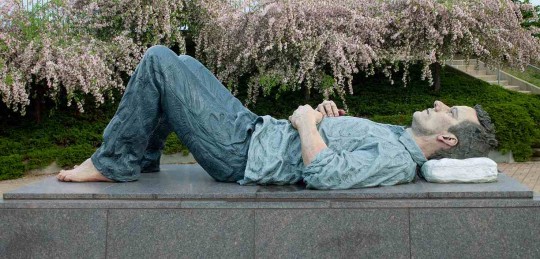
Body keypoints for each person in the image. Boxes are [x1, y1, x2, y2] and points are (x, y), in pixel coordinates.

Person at [56, 45, 498, 189]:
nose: (439, 106)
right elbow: (333, 152)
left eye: (449, 112)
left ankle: (112, 162)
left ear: (448, 140)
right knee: (184, 62)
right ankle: (144, 156)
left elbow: (325, 173)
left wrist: (307, 123)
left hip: (240, 152)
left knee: (158, 61)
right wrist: (324, 120)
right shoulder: (394, 137)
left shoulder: (397, 159)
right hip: (254, 130)